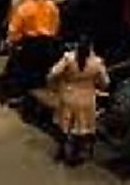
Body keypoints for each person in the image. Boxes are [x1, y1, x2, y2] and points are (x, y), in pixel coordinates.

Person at [47, 37, 110, 165]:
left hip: (68, 95)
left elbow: (53, 73)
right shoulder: (97, 62)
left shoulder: (68, 58)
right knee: (81, 128)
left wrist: (54, 86)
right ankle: (75, 155)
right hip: (86, 98)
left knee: (64, 125)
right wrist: (97, 87)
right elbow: (105, 82)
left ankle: (61, 151)